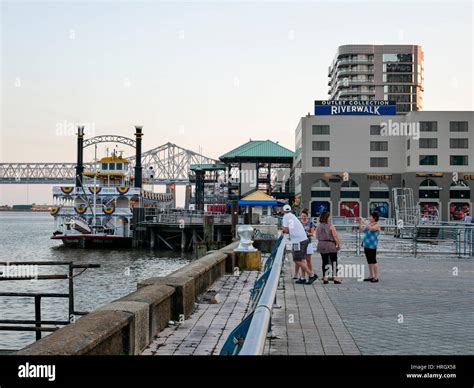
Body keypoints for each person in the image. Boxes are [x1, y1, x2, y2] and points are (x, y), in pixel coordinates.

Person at [282, 205, 318, 284]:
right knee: (302, 259)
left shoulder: (285, 217)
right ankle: (302, 278)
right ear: (290, 210)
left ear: (283, 211)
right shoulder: (292, 216)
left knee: (297, 259)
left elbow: (286, 229)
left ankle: (312, 275)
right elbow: (290, 229)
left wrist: (283, 231)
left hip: (297, 241)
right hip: (304, 240)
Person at [316, 211, 342, 284]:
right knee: (334, 261)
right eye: (329, 216)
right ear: (327, 217)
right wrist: (338, 244)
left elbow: (317, 237)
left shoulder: (318, 226)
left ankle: (325, 278)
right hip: (330, 245)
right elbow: (335, 236)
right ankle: (335, 277)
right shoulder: (331, 226)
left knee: (324, 261)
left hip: (321, 244)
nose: (330, 218)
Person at [359, 211, 382, 283]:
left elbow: (371, 229)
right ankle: (371, 275)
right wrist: (360, 222)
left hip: (372, 246)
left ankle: (376, 277)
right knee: (369, 261)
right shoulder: (369, 224)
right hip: (366, 245)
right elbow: (362, 230)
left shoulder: (377, 225)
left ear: (374, 218)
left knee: (373, 260)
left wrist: (364, 221)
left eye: (370, 216)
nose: (369, 217)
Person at [293, 209, 315, 281]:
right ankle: (297, 274)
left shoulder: (310, 223)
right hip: (300, 243)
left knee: (308, 260)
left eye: (305, 216)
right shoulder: (298, 223)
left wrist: (308, 234)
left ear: (307, 216)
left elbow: (313, 233)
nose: (303, 217)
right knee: (300, 259)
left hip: (308, 242)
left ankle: (310, 274)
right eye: (302, 216)